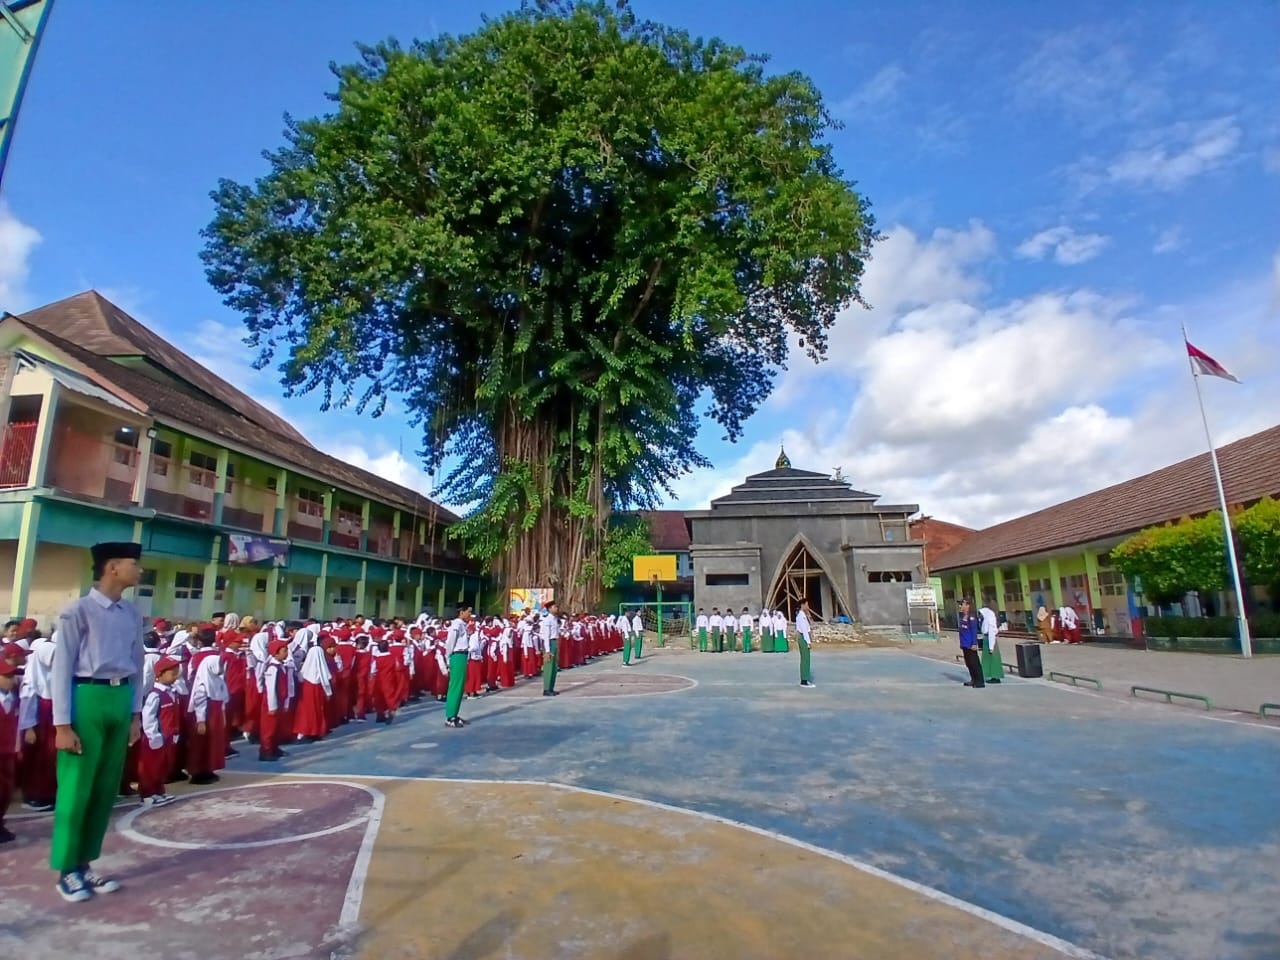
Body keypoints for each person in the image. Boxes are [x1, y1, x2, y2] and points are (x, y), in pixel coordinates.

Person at [50, 541, 146, 903]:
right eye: (134, 564)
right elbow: (62, 668)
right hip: (86, 695)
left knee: (105, 788)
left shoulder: (131, 613)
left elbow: (138, 664)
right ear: (112, 567)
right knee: (77, 787)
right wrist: (62, 725)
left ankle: (86, 862)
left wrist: (135, 714)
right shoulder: (78, 611)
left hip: (119, 697)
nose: (139, 570)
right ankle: (66, 869)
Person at [137, 656, 181, 807]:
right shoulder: (155, 695)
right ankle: (147, 794)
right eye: (172, 673)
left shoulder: (173, 692)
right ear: (160, 674)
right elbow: (148, 716)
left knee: (163, 766)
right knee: (150, 767)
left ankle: (158, 791)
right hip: (155, 739)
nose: (176, 676)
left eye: (177, 672)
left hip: (168, 737)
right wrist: (153, 735)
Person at [0, 659, 21, 843]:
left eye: (12, 676)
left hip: (8, 752)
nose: (11, 680)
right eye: (6, 676)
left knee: (6, 789)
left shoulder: (13, 698)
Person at [444, 605, 472, 727]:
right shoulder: (456, 624)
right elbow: (450, 642)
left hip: (463, 655)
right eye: (468, 611)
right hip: (457, 655)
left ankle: (454, 714)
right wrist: (448, 658)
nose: (469, 614)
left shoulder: (462, 624)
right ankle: (450, 717)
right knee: (455, 686)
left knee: (460, 687)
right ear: (461, 612)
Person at [957, 599, 984, 688]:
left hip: (970, 644)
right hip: (964, 643)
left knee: (974, 663)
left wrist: (974, 643)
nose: (960, 606)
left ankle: (979, 681)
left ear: (967, 605)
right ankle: (973, 679)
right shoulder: (962, 616)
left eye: (962, 604)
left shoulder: (971, 616)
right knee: (968, 663)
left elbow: (973, 630)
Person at [978, 605, 1004, 684]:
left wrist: (991, 647)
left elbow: (991, 634)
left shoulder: (990, 621)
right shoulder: (986, 620)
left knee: (993, 659)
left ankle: (995, 676)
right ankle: (990, 675)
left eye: (981, 614)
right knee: (988, 659)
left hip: (990, 641)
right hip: (987, 640)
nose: (980, 615)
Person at [541, 601, 561, 697]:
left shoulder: (555, 619)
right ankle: (546, 689)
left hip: (555, 642)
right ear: (549, 609)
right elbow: (546, 636)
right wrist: (548, 650)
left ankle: (551, 688)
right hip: (549, 643)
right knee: (549, 666)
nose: (556, 608)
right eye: (554, 607)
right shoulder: (547, 620)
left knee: (554, 667)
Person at [795, 600, 815, 688]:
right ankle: (804, 681)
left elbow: (808, 628)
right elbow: (804, 630)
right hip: (803, 638)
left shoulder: (804, 615)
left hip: (804, 637)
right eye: (807, 604)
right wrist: (808, 642)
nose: (808, 606)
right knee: (805, 659)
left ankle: (805, 679)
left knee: (806, 659)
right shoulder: (801, 616)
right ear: (802, 605)